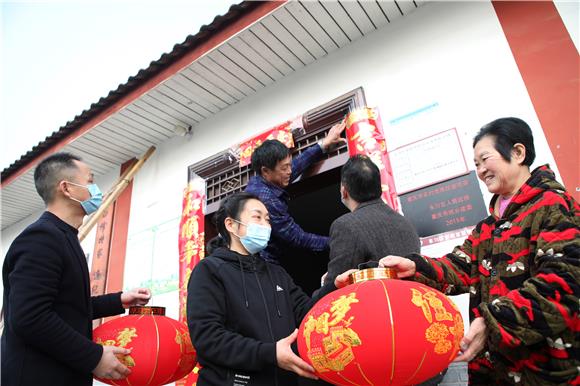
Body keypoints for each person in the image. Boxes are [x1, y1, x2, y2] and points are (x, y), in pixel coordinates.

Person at [378, 117, 579, 385]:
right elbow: (459, 267)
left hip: (543, 372)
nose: (481, 170)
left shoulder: (553, 205)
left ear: (518, 153)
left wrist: (493, 321)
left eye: (485, 159)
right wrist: (415, 268)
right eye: (476, 165)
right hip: (493, 372)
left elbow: (563, 285)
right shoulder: (488, 226)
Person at [1, 153, 151, 386]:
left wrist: (120, 300)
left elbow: (69, 309)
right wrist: (95, 357)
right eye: (90, 181)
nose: (95, 189)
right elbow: (30, 317)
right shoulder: (41, 238)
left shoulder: (63, 237)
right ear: (66, 188)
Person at [186, 192, 354, 386]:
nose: (265, 226)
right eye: (257, 217)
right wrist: (270, 353)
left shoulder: (276, 273)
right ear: (231, 225)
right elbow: (208, 338)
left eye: (267, 220)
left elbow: (308, 313)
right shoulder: (209, 270)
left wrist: (334, 287)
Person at [245, 121, 346, 263]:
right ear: (265, 171)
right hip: (263, 262)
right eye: (284, 168)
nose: (290, 171)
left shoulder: (265, 179)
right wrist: (338, 242)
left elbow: (297, 165)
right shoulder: (266, 200)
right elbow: (297, 238)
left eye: (288, 165)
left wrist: (324, 144)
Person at [322, 154, 420, 286]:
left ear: (344, 191)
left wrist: (324, 286)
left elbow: (334, 287)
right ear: (379, 187)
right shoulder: (405, 223)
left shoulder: (346, 225)